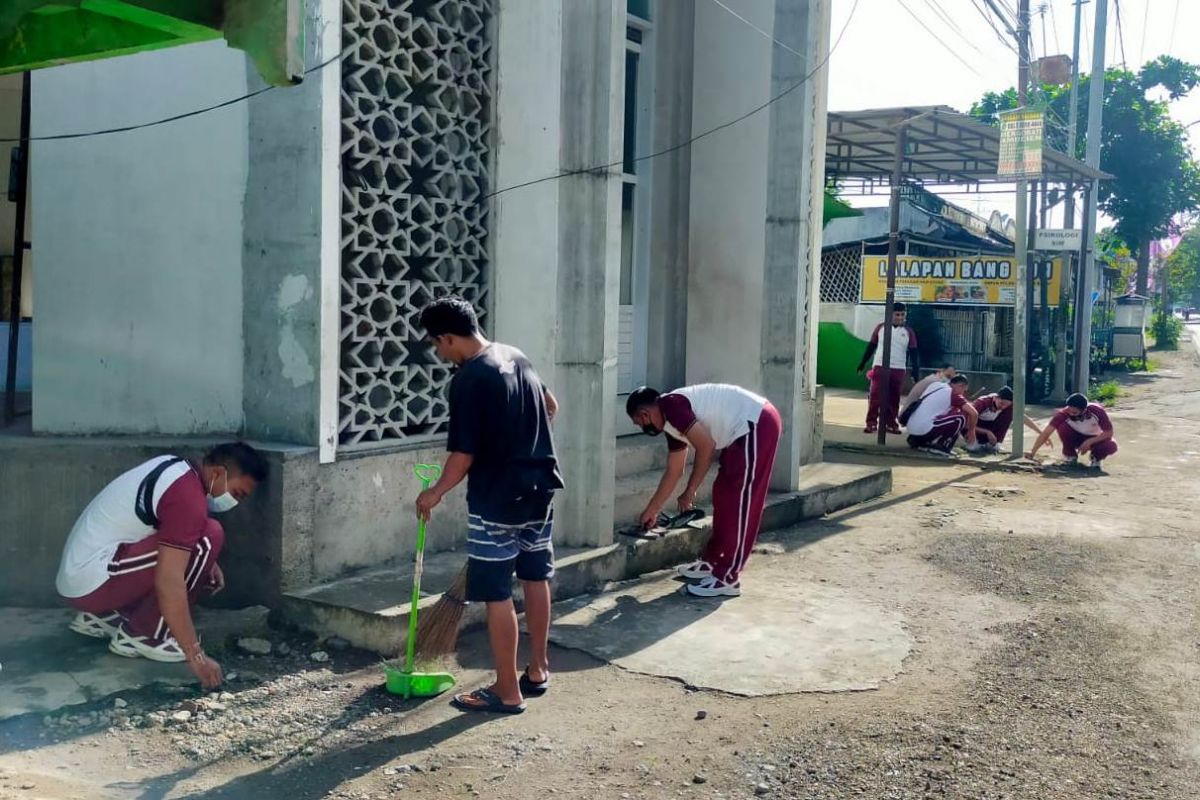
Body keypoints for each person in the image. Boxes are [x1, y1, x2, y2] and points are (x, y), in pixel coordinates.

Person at [416, 296, 563, 715]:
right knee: (536, 577)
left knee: (496, 593)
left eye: (436, 344)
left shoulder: (469, 379)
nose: (439, 353)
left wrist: (434, 493)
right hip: (540, 489)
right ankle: (537, 670)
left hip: (497, 499)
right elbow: (550, 407)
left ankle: (505, 690)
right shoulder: (516, 355)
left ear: (447, 337)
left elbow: (463, 457)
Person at [56, 442, 268, 690]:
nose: (236, 502)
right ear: (219, 473)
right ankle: (146, 635)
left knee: (201, 540)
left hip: (81, 578)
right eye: (237, 493)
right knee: (209, 535)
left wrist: (206, 560)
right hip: (91, 582)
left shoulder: (178, 470)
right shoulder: (188, 497)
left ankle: (107, 616)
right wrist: (195, 655)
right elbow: (170, 580)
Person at [626, 383, 782, 598]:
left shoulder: (672, 405)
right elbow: (674, 471)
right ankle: (713, 561)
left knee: (740, 502)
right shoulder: (670, 424)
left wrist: (690, 491)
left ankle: (728, 576)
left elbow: (706, 446)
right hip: (740, 431)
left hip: (757, 422)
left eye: (640, 422)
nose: (642, 427)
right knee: (723, 496)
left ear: (645, 413)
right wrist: (652, 510)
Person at [857, 303, 920, 435]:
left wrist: (915, 371)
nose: (900, 317)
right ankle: (871, 423)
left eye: (903, 315)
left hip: (898, 368)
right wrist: (862, 363)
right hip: (880, 366)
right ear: (890, 315)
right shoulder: (880, 328)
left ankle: (891, 424)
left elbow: (914, 352)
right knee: (875, 396)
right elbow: (871, 346)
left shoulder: (908, 331)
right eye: (897, 314)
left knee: (894, 397)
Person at [1027, 392, 1118, 469]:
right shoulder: (1063, 414)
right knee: (1062, 427)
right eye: (1069, 411)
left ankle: (1096, 458)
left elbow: (1109, 432)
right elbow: (1046, 432)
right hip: (1075, 437)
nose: (1071, 414)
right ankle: (1069, 455)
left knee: (1111, 445)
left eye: (1074, 412)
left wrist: (1089, 442)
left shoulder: (1097, 411)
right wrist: (1033, 452)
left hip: (1095, 438)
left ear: (1084, 410)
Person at [904, 374, 979, 455]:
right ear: (961, 386)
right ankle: (943, 447)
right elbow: (974, 413)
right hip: (923, 430)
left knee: (950, 414)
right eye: (964, 390)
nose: (963, 393)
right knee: (960, 418)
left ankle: (920, 442)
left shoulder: (936, 385)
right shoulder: (952, 394)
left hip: (912, 430)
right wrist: (971, 431)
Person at [972, 386, 1044, 452]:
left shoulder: (1008, 407)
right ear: (995, 398)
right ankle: (973, 442)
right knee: (974, 449)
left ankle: (992, 443)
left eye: (1006, 405)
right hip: (972, 428)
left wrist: (1041, 433)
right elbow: (966, 423)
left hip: (989, 428)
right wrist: (987, 432)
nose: (1003, 407)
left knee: (1010, 412)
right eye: (1001, 403)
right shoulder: (982, 403)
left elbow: (1021, 417)